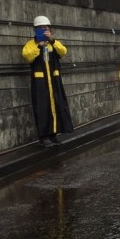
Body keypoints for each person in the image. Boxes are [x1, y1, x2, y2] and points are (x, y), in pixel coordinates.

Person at [21, 15, 74, 147]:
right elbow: (27, 56)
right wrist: (39, 46)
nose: (44, 30)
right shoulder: (30, 44)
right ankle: (43, 137)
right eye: (40, 28)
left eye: (46, 28)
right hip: (40, 83)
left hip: (54, 82)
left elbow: (63, 52)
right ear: (35, 30)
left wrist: (52, 41)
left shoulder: (53, 43)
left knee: (56, 106)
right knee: (42, 108)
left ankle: (53, 135)